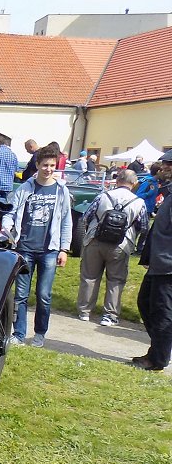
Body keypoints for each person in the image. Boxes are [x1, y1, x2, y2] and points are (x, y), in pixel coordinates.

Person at [1, 142, 72, 347]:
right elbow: (11, 213)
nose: (48, 169)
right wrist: (8, 231)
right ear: (37, 165)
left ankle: (40, 332)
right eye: (45, 165)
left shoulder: (61, 191)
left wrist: (64, 248)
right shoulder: (25, 189)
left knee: (43, 295)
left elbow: (67, 220)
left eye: (52, 166)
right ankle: (19, 333)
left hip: (49, 250)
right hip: (25, 249)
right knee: (21, 295)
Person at [75, 168, 149, 326]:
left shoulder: (103, 196)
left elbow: (86, 217)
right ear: (134, 183)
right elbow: (143, 226)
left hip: (95, 240)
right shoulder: (138, 202)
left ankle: (84, 311)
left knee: (89, 277)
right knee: (116, 280)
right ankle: (110, 315)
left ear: (117, 181)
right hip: (121, 245)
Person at [134, 150, 172, 371]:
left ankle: (158, 359)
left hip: (167, 266)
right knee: (145, 303)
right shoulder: (168, 192)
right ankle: (158, 350)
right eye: (165, 162)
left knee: (162, 313)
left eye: (169, 164)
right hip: (159, 262)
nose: (164, 166)